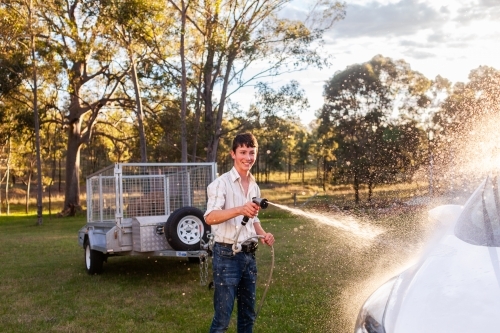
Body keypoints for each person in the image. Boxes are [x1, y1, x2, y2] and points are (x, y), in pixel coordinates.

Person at [204, 132, 275, 333]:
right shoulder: (221, 184)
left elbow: (254, 219)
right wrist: (239, 209)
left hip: (248, 257)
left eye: (252, 152)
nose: (248, 157)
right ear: (233, 154)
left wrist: (263, 235)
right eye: (243, 152)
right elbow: (210, 217)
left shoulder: (254, 185)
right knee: (222, 320)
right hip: (226, 256)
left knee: (247, 316)